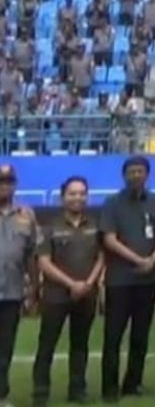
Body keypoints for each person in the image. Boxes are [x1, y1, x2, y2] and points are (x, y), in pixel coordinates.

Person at [99, 155, 155, 402]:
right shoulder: (112, 204)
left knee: (141, 335)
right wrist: (139, 260)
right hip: (119, 279)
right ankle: (109, 387)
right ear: (124, 175)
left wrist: (153, 258)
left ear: (147, 174)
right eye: (131, 171)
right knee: (113, 335)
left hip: (148, 280)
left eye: (140, 171)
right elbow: (109, 239)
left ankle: (133, 383)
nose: (136, 175)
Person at [33, 175, 104, 407]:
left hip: (86, 294)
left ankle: (77, 389)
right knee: (47, 345)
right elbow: (44, 262)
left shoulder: (95, 224)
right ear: (63, 197)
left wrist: (88, 283)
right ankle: (40, 393)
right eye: (73, 193)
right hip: (56, 296)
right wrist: (71, 284)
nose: (78, 198)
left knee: (80, 344)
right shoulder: (49, 226)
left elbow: (102, 257)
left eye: (82, 193)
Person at [0, 165, 37, 406]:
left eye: (9, 181)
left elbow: (32, 255)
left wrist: (33, 288)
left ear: (15, 184)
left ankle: (1, 396)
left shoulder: (27, 215)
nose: (4, 185)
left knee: (4, 350)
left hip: (12, 293)